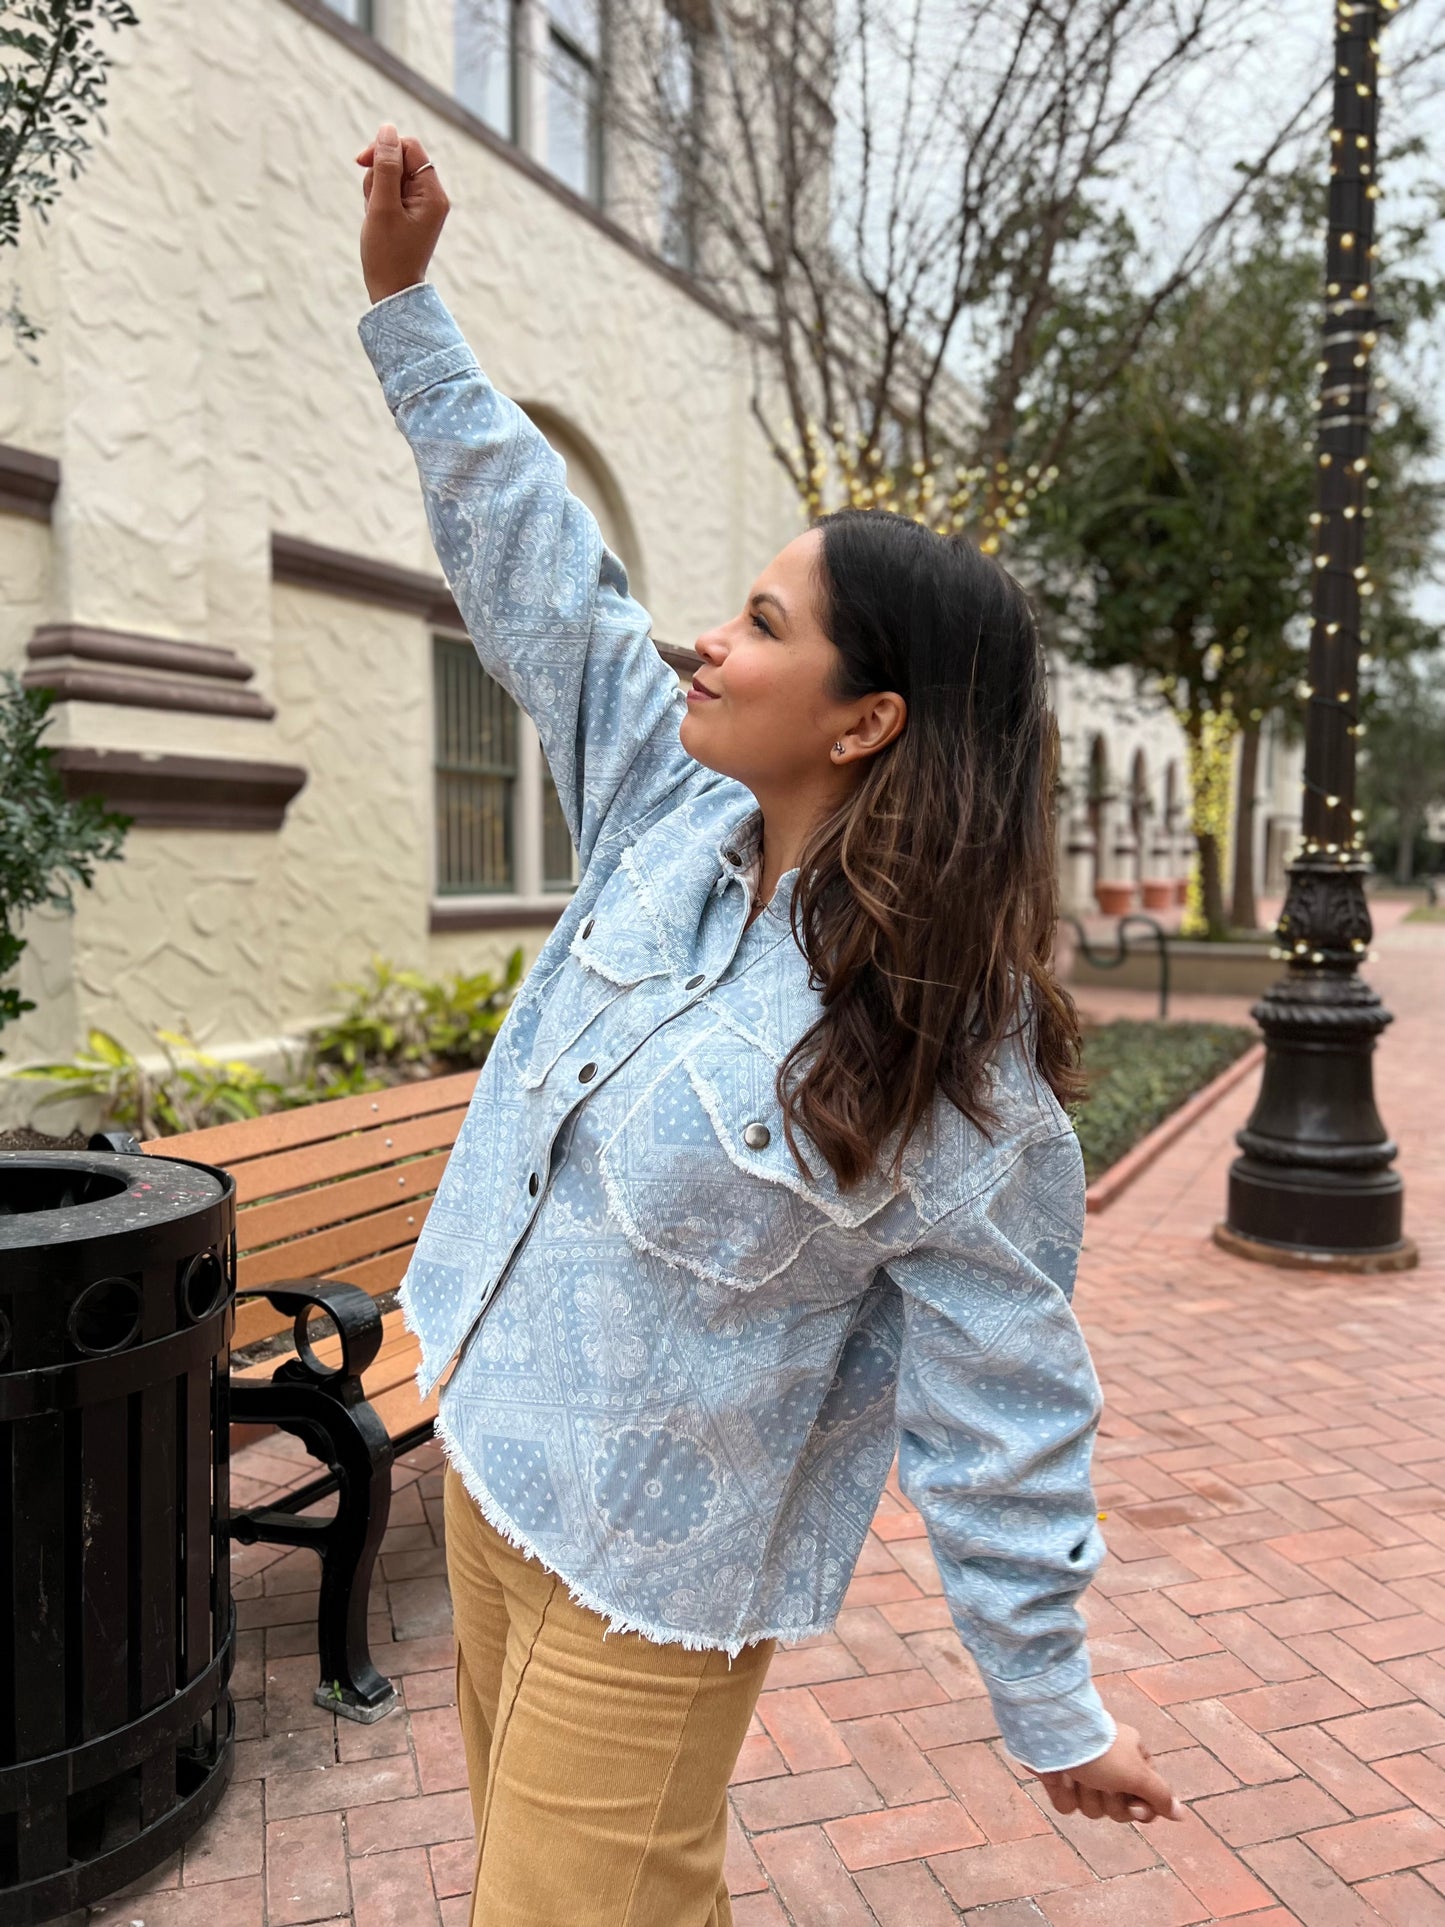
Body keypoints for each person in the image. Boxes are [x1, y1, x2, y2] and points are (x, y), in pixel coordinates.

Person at [354, 122, 1183, 1927]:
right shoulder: (668, 819)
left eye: (755, 620)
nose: (705, 646)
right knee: (556, 1889)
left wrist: (1048, 1704)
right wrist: (410, 316)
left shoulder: (949, 1068)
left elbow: (1006, 1393)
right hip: (494, 1469)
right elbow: (542, 578)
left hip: (654, 1561)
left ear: (866, 719)